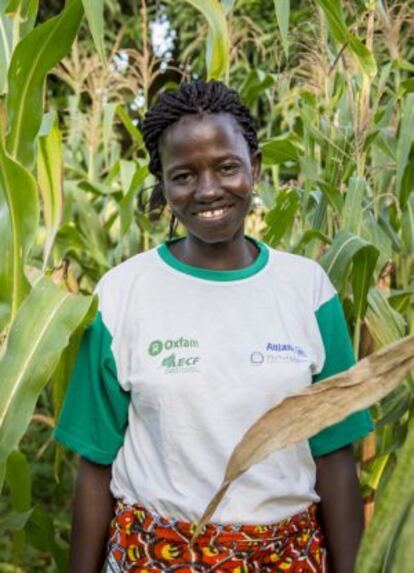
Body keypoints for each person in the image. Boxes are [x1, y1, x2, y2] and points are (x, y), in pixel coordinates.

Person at [54, 80, 373, 573]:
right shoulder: (121, 295)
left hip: (286, 558)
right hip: (152, 557)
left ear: (256, 168)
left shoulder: (308, 290)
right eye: (183, 175)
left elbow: (335, 456)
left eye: (226, 167)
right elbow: (95, 465)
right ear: (162, 184)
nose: (208, 190)